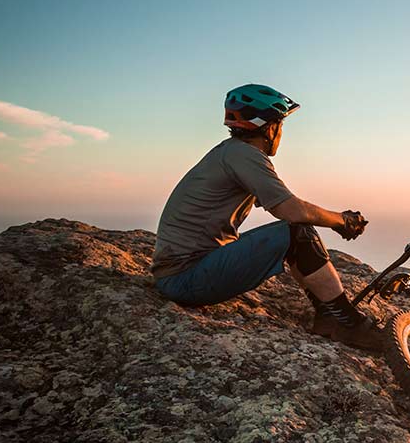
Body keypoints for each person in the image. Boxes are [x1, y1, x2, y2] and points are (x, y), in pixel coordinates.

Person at [150, 84, 381, 348]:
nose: (281, 133)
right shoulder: (244, 155)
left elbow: (286, 207)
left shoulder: (231, 153)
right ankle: (347, 323)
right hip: (186, 278)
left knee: (290, 234)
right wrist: (342, 220)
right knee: (297, 232)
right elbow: (292, 210)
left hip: (183, 273)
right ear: (269, 127)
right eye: (280, 125)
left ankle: (328, 315)